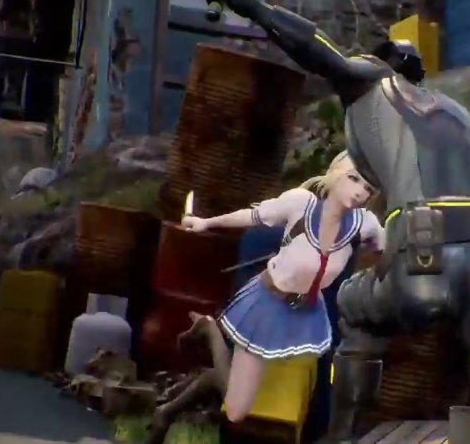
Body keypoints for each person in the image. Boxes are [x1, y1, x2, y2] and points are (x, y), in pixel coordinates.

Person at [200, 0, 470, 444]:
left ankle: (341, 435)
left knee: (353, 306)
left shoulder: (372, 84)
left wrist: (246, 4)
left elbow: (311, 42)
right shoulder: (457, 116)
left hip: (422, 243)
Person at [145, 151, 384, 444]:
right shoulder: (300, 204)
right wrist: (206, 223)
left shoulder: (364, 224)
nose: (359, 191)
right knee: (240, 409)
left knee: (299, 409)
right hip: (268, 302)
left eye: (368, 187)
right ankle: (211, 332)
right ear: (335, 176)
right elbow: (253, 216)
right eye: (353, 179)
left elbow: (392, 250)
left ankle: (206, 346)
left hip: (311, 313)